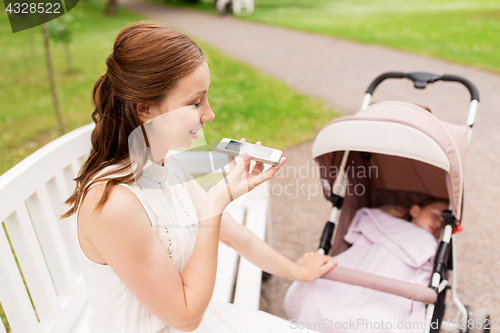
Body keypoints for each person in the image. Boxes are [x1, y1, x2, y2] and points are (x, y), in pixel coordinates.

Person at [62, 21, 336, 333]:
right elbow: (185, 316)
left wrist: (299, 272)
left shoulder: (167, 164)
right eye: (195, 102)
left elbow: (236, 236)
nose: (209, 113)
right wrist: (216, 204)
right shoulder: (114, 204)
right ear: (145, 110)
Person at [284, 198, 448, 333]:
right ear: (415, 210)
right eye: (435, 215)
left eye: (443, 224)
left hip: (392, 288)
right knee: (318, 293)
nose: (438, 223)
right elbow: (361, 222)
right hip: (357, 269)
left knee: (380, 318)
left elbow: (427, 274)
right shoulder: (384, 223)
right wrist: (388, 211)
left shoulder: (431, 245)